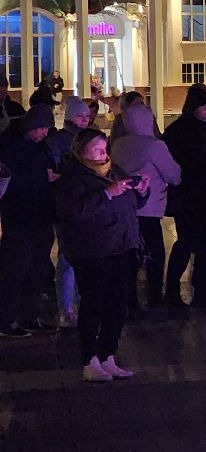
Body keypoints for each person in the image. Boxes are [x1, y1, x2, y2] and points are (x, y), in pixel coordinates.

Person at [55, 128, 148, 380]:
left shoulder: (113, 171)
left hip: (122, 246)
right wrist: (107, 194)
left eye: (104, 148)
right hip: (94, 250)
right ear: (81, 150)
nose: (102, 153)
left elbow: (129, 204)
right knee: (94, 304)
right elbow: (74, 212)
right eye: (96, 149)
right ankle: (89, 360)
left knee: (118, 304)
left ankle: (108, 354)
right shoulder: (73, 177)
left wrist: (140, 192)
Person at [111, 102, 182, 317]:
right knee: (154, 254)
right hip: (149, 207)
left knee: (130, 255)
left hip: (125, 206)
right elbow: (174, 175)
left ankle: (129, 301)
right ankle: (154, 299)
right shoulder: (155, 146)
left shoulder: (119, 144)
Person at [163, 84, 206, 308]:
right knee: (187, 242)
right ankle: (172, 290)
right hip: (189, 197)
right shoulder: (180, 131)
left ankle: (202, 288)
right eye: (203, 107)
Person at [0, 106, 58, 338]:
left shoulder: (38, 146)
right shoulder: (11, 145)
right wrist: (42, 176)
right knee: (16, 269)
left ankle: (29, 315)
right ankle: (7, 318)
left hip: (42, 214)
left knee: (37, 267)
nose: (44, 133)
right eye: (42, 128)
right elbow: (9, 176)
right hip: (20, 216)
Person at [47, 95, 93, 323]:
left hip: (85, 201)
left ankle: (79, 304)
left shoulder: (86, 137)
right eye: (80, 115)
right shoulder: (60, 141)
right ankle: (66, 307)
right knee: (68, 257)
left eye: (86, 115)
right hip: (67, 203)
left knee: (81, 255)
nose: (84, 119)